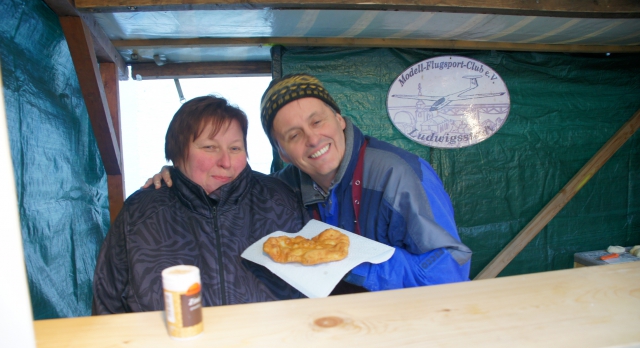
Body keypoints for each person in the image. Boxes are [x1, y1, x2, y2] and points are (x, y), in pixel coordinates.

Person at [148, 74, 472, 291]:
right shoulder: (284, 187)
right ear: (283, 153)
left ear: (340, 119)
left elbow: (451, 271)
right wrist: (180, 176)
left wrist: (351, 265)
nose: (313, 138)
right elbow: (230, 193)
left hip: (406, 321)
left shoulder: (399, 175)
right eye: (294, 135)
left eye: (317, 121)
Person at [93, 95, 308, 314]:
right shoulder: (141, 212)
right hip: (169, 336)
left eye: (235, 148)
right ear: (177, 153)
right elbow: (107, 302)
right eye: (209, 147)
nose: (225, 162)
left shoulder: (280, 201)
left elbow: (316, 287)